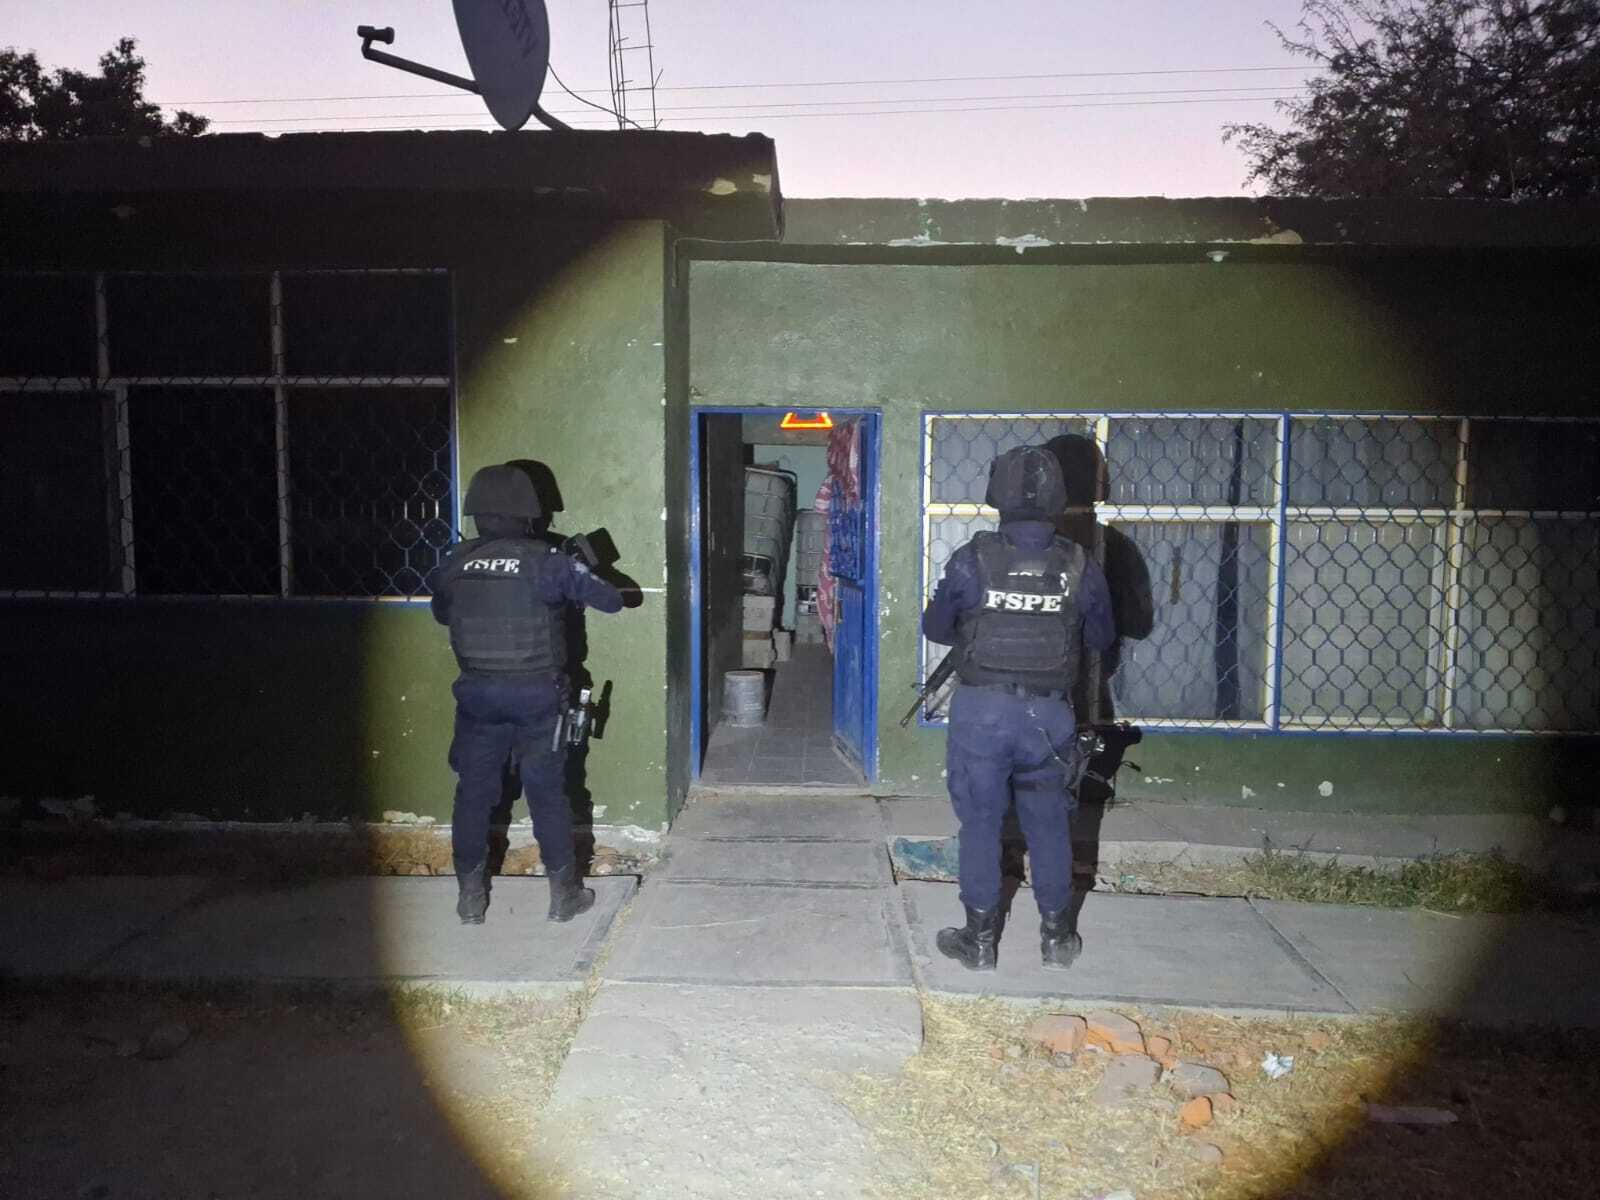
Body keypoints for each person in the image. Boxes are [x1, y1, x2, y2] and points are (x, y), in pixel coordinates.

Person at [921, 445, 1116, 971]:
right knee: (1050, 824)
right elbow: (1102, 638)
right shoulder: (1080, 563)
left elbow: (935, 628)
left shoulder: (973, 558)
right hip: (1050, 717)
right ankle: (1057, 940)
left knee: (980, 824)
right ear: (1059, 498)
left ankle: (979, 942)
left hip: (982, 713)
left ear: (997, 495)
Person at [431, 463, 623, 926]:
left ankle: (470, 900)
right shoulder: (547, 561)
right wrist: (578, 564)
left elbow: (442, 614)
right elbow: (614, 600)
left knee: (473, 795)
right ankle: (564, 897)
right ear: (530, 513)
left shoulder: (455, 562)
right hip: (538, 697)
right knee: (548, 793)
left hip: (478, 696)